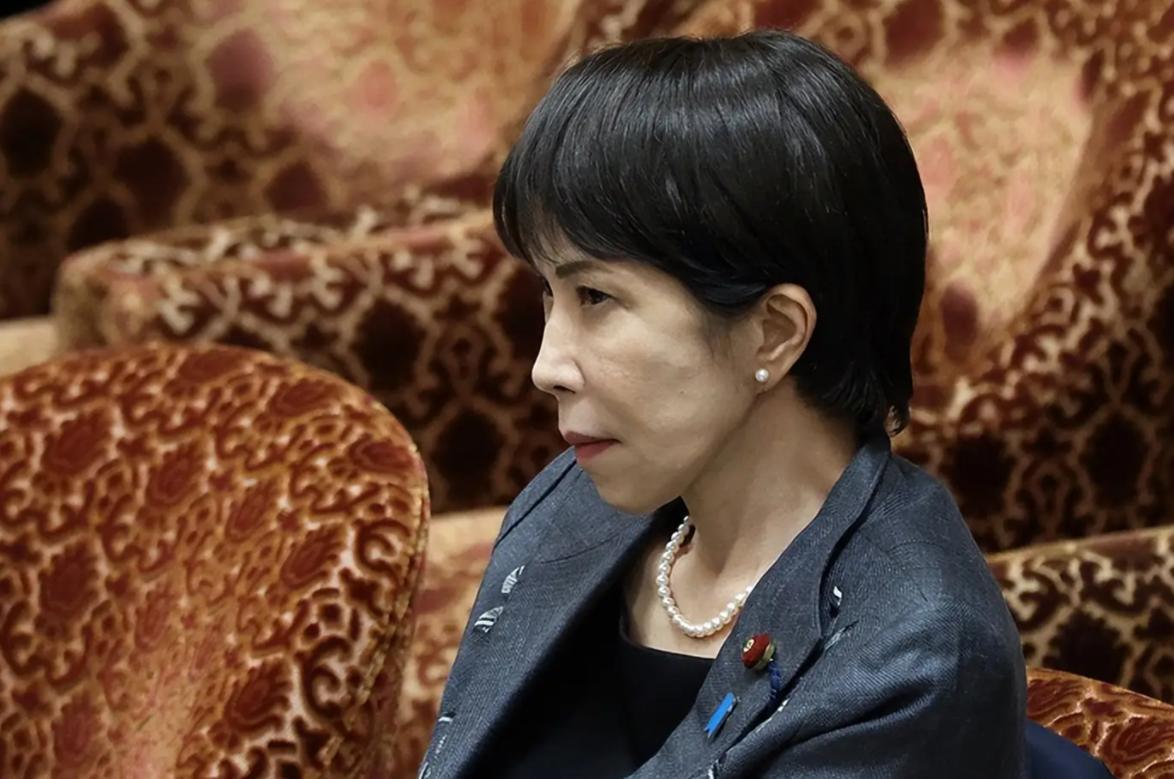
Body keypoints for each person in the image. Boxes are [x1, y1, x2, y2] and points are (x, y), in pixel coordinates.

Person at [418, 29, 1087, 779]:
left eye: (596, 296)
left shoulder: (914, 659)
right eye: (549, 293)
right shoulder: (576, 505)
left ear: (774, 332)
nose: (546, 368)